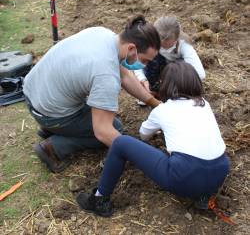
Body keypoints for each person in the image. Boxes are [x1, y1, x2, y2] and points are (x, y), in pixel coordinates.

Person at [76, 61, 230, 217]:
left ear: (166, 85)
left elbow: (143, 134)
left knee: (121, 142)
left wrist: (159, 128)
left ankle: (99, 199)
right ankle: (203, 196)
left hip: (185, 176)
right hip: (220, 173)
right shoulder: (205, 104)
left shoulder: (163, 109)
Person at [23, 15, 161, 173]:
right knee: (115, 128)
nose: (145, 65)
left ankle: (51, 128)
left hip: (33, 92)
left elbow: (125, 76)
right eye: (145, 61)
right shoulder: (105, 74)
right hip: (49, 113)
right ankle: (53, 147)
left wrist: (154, 103)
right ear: (131, 49)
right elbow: (102, 131)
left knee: (103, 118)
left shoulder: (103, 34)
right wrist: (142, 157)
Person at [134, 16, 205, 94]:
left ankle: (176, 92)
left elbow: (200, 74)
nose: (163, 48)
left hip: (175, 72)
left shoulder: (183, 44)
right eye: (160, 45)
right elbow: (136, 63)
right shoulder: (149, 39)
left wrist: (177, 81)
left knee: (182, 65)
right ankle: (151, 89)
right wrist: (143, 79)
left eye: (168, 46)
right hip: (158, 69)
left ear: (176, 39)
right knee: (151, 58)